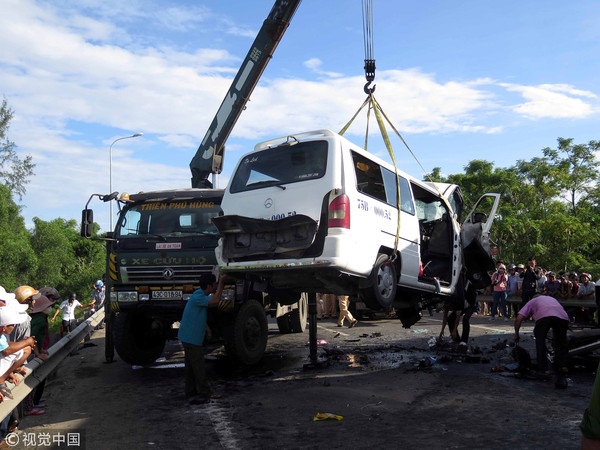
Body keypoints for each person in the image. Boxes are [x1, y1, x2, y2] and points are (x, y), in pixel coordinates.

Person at [178, 273, 225, 404]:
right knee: (198, 366)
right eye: (214, 284)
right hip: (191, 338)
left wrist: (207, 329)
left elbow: (198, 313)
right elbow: (215, 301)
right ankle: (207, 392)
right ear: (210, 286)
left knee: (191, 367)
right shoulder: (199, 296)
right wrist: (222, 282)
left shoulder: (198, 295)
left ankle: (190, 391)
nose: (215, 286)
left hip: (187, 336)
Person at [514, 294, 569, 388]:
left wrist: (516, 334)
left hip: (544, 317)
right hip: (563, 317)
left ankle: (543, 369)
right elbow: (555, 314)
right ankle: (562, 366)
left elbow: (518, 319)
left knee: (540, 340)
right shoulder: (552, 299)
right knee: (561, 342)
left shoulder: (532, 301)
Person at [29, 294, 55, 409]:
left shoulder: (40, 318)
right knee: (38, 378)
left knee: (40, 377)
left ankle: (36, 400)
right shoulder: (39, 320)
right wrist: (38, 353)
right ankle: (34, 402)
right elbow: (33, 337)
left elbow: (39, 338)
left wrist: (41, 349)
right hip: (33, 353)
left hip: (36, 351)